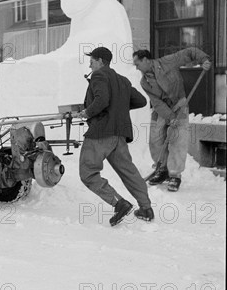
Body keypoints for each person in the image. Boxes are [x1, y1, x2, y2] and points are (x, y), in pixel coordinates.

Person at [78, 47, 153, 226]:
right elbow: (141, 101)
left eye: (93, 60)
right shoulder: (123, 80)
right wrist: (118, 108)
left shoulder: (98, 76)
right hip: (119, 136)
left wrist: (87, 112)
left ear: (101, 62)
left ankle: (119, 203)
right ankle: (146, 208)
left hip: (100, 134)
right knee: (128, 171)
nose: (90, 63)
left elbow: (102, 100)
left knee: (87, 173)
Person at [132, 47, 212, 192]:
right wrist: (170, 117)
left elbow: (190, 52)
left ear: (145, 60)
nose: (137, 68)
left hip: (179, 104)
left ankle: (175, 175)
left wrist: (204, 59)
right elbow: (156, 102)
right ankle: (162, 170)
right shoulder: (144, 82)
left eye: (137, 64)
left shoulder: (168, 61)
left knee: (177, 139)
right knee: (155, 139)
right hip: (161, 109)